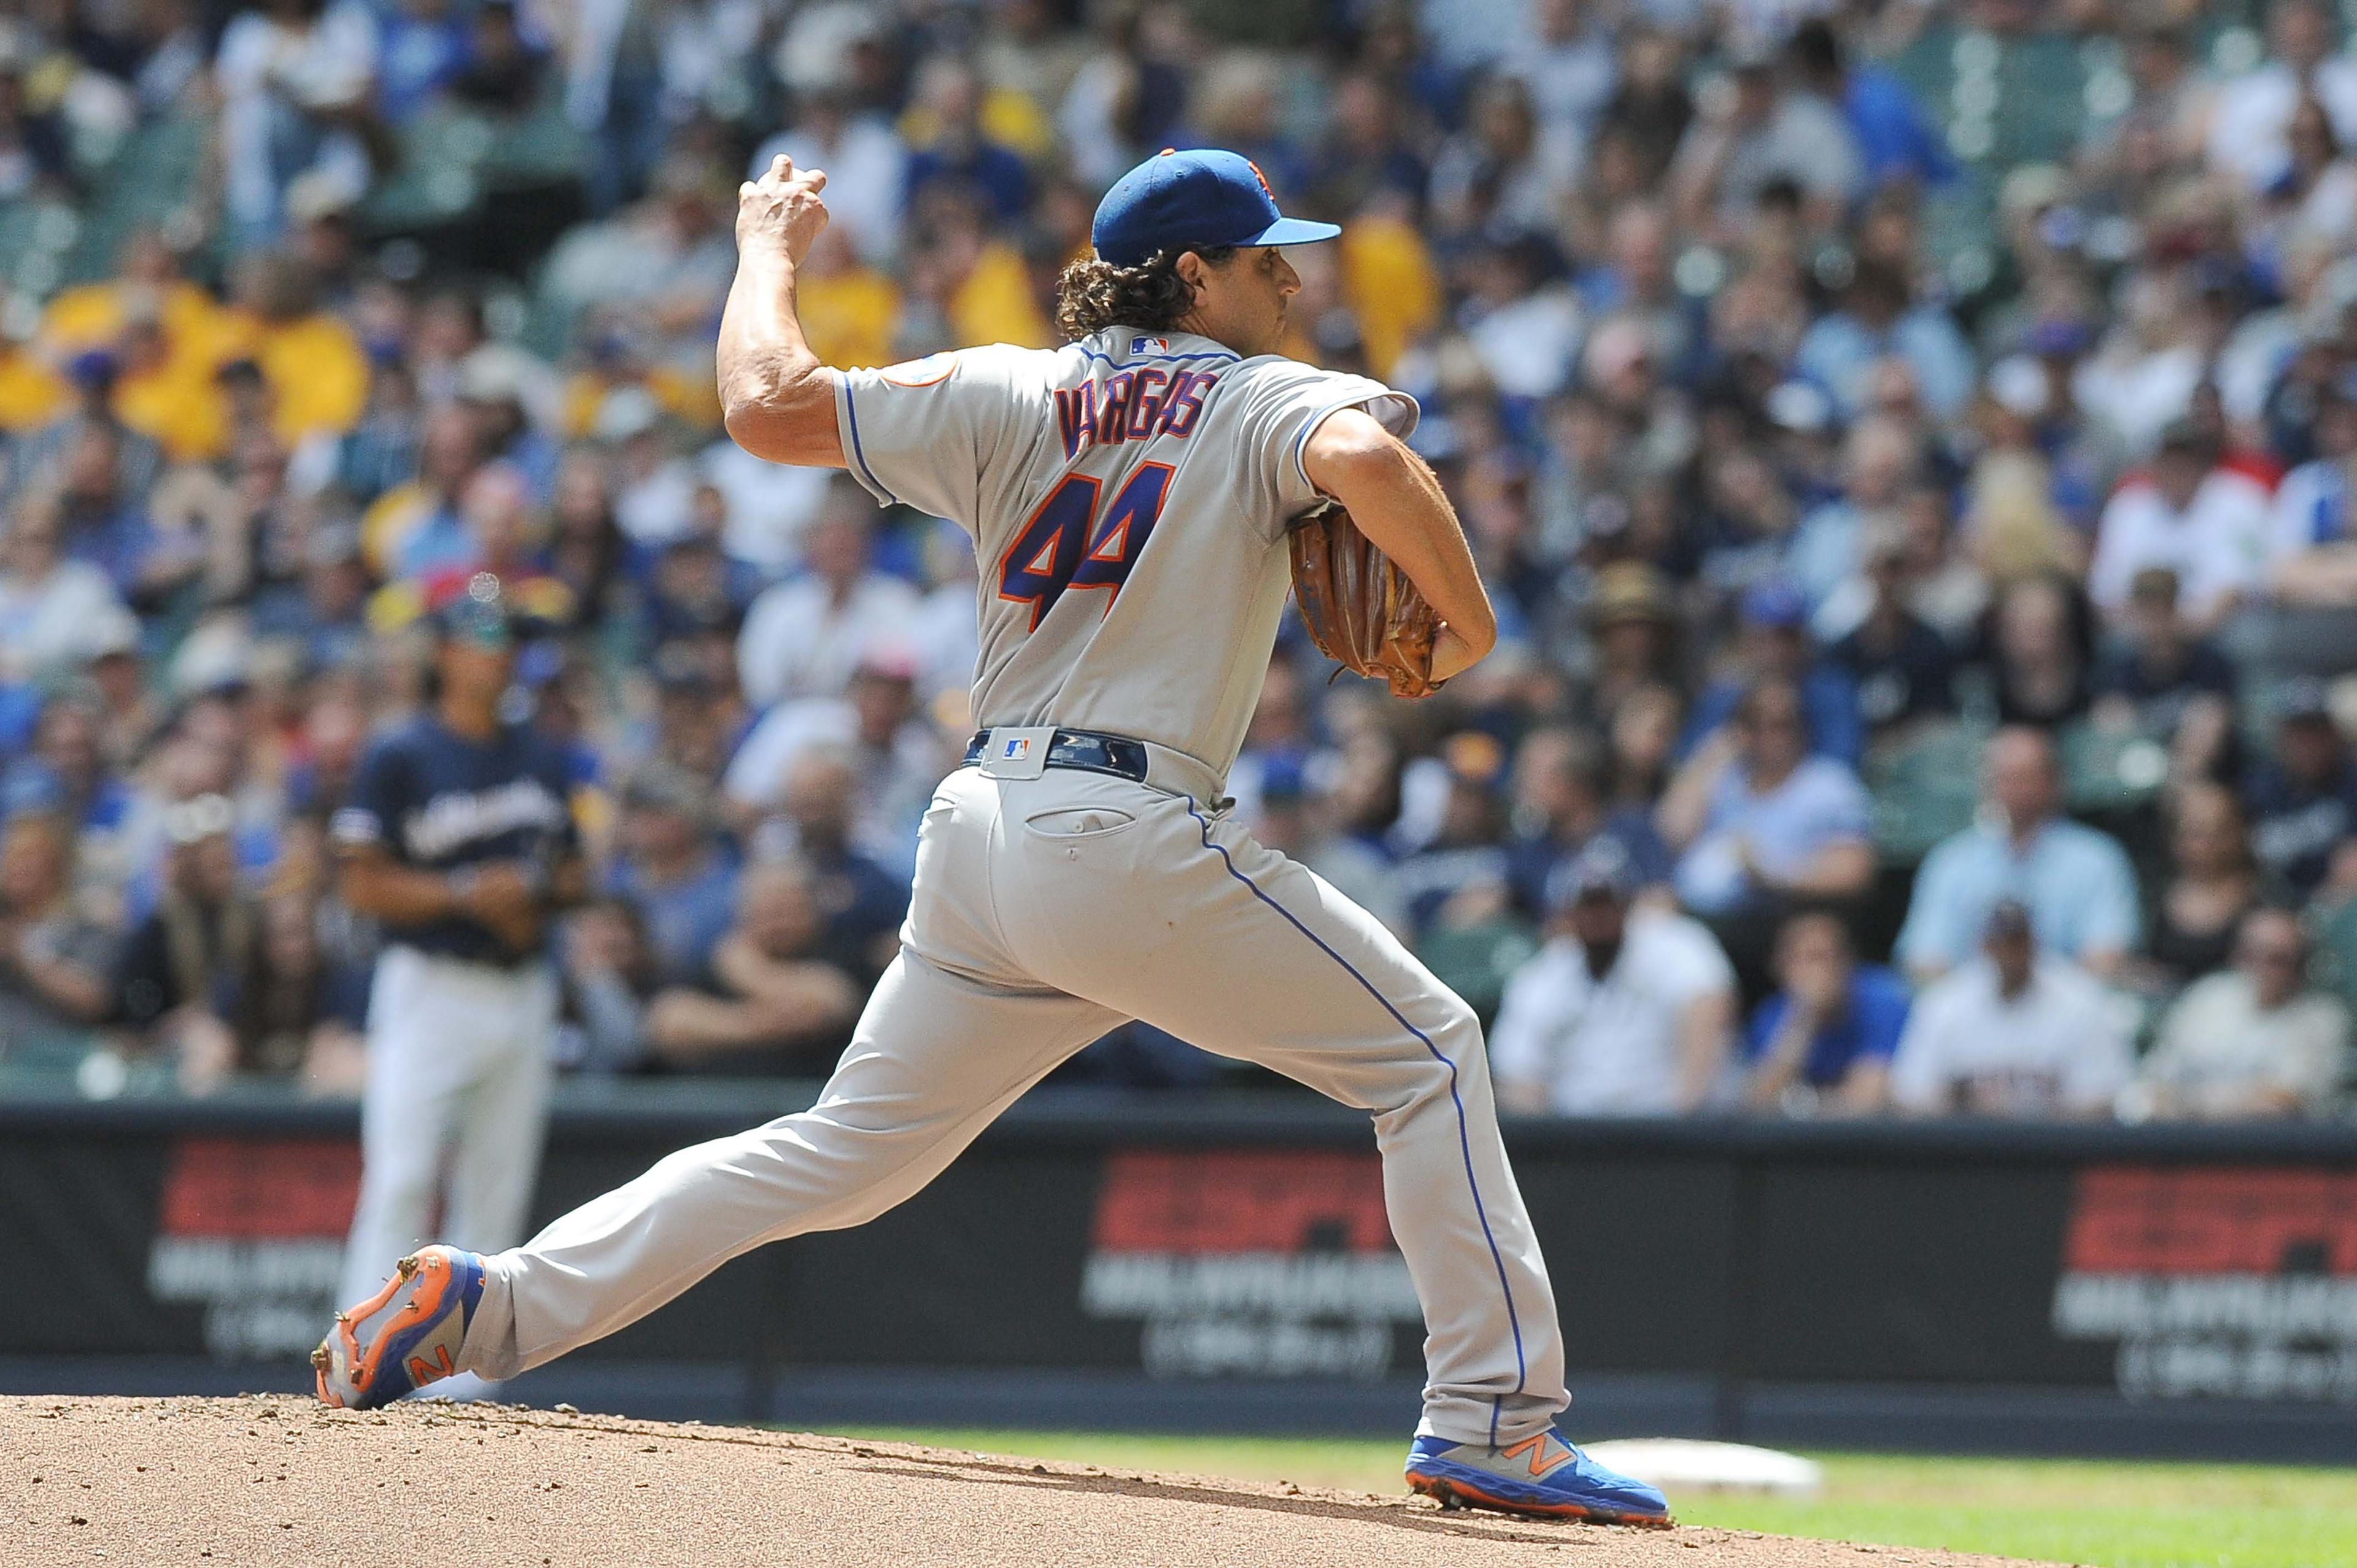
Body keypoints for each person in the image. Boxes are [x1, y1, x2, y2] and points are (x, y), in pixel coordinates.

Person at [311, 148, 1671, 1524]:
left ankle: (488, 1302)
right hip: (1124, 827)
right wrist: (1475, 621)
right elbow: (1367, 453)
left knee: (838, 1152)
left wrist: (767, 250)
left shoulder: (1005, 382)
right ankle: (1494, 1417)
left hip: (981, 836)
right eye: (1267, 256)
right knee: (1431, 1050)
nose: (1293, 274)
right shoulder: (1265, 391)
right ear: (1195, 276)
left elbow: (768, 407)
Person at [325, 576, 588, 1397]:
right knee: (401, 1176)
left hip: (520, 987)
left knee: (496, 1188)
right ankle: (358, 1358)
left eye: (506, 639)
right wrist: (471, 893)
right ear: (443, 651)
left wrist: (531, 897)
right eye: (481, 639)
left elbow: (579, 871)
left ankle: (468, 1383)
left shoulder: (540, 752)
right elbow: (361, 884)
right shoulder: (401, 751)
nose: (498, 654)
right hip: (428, 985)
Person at [1490, 840, 1737, 1118]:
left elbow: (1709, 1015)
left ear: (1627, 904)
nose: (1597, 917)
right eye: (1587, 906)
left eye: (1606, 904)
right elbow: (1516, 1073)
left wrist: (1678, 1129)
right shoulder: (1545, 973)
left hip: (1668, 1134)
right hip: (1574, 1141)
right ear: (1568, 912)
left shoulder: (1676, 944)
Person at [1894, 727, 2141, 983]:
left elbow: (2105, 958)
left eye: (2025, 777)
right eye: (2003, 777)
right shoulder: (1951, 862)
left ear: (2054, 782)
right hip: (1974, 1012)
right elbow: (1924, 959)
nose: (2014, 789)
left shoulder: (2097, 858)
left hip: (2069, 1012)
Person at [1889, 902, 2134, 1119]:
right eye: (2000, 942)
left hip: (2055, 1155)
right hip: (1964, 1155)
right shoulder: (1944, 1002)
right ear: (1985, 945)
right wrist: (1965, 1108)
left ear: (2033, 943)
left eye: (2017, 942)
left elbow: (2105, 1102)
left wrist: (2030, 1115)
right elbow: (1910, 1099)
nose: (2009, 953)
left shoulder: (2080, 1000)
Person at [2136, 907, 2350, 1119]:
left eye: (2277, 959)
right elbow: (2156, 1081)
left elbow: (2282, 1103)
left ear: (2303, 964)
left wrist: (2188, 1104)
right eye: (2252, 953)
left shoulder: (2322, 1018)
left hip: (2270, 1148)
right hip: (2187, 1141)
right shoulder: (2207, 996)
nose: (2261, 967)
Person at [1738, 911, 1906, 1116]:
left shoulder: (1884, 999)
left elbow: (1866, 1101)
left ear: (1848, 963)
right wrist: (1804, 1020)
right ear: (1779, 967)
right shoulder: (1771, 1015)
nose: (1816, 971)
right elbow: (1757, 1102)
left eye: (1825, 958)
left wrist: (1798, 1104)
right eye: (1801, 959)